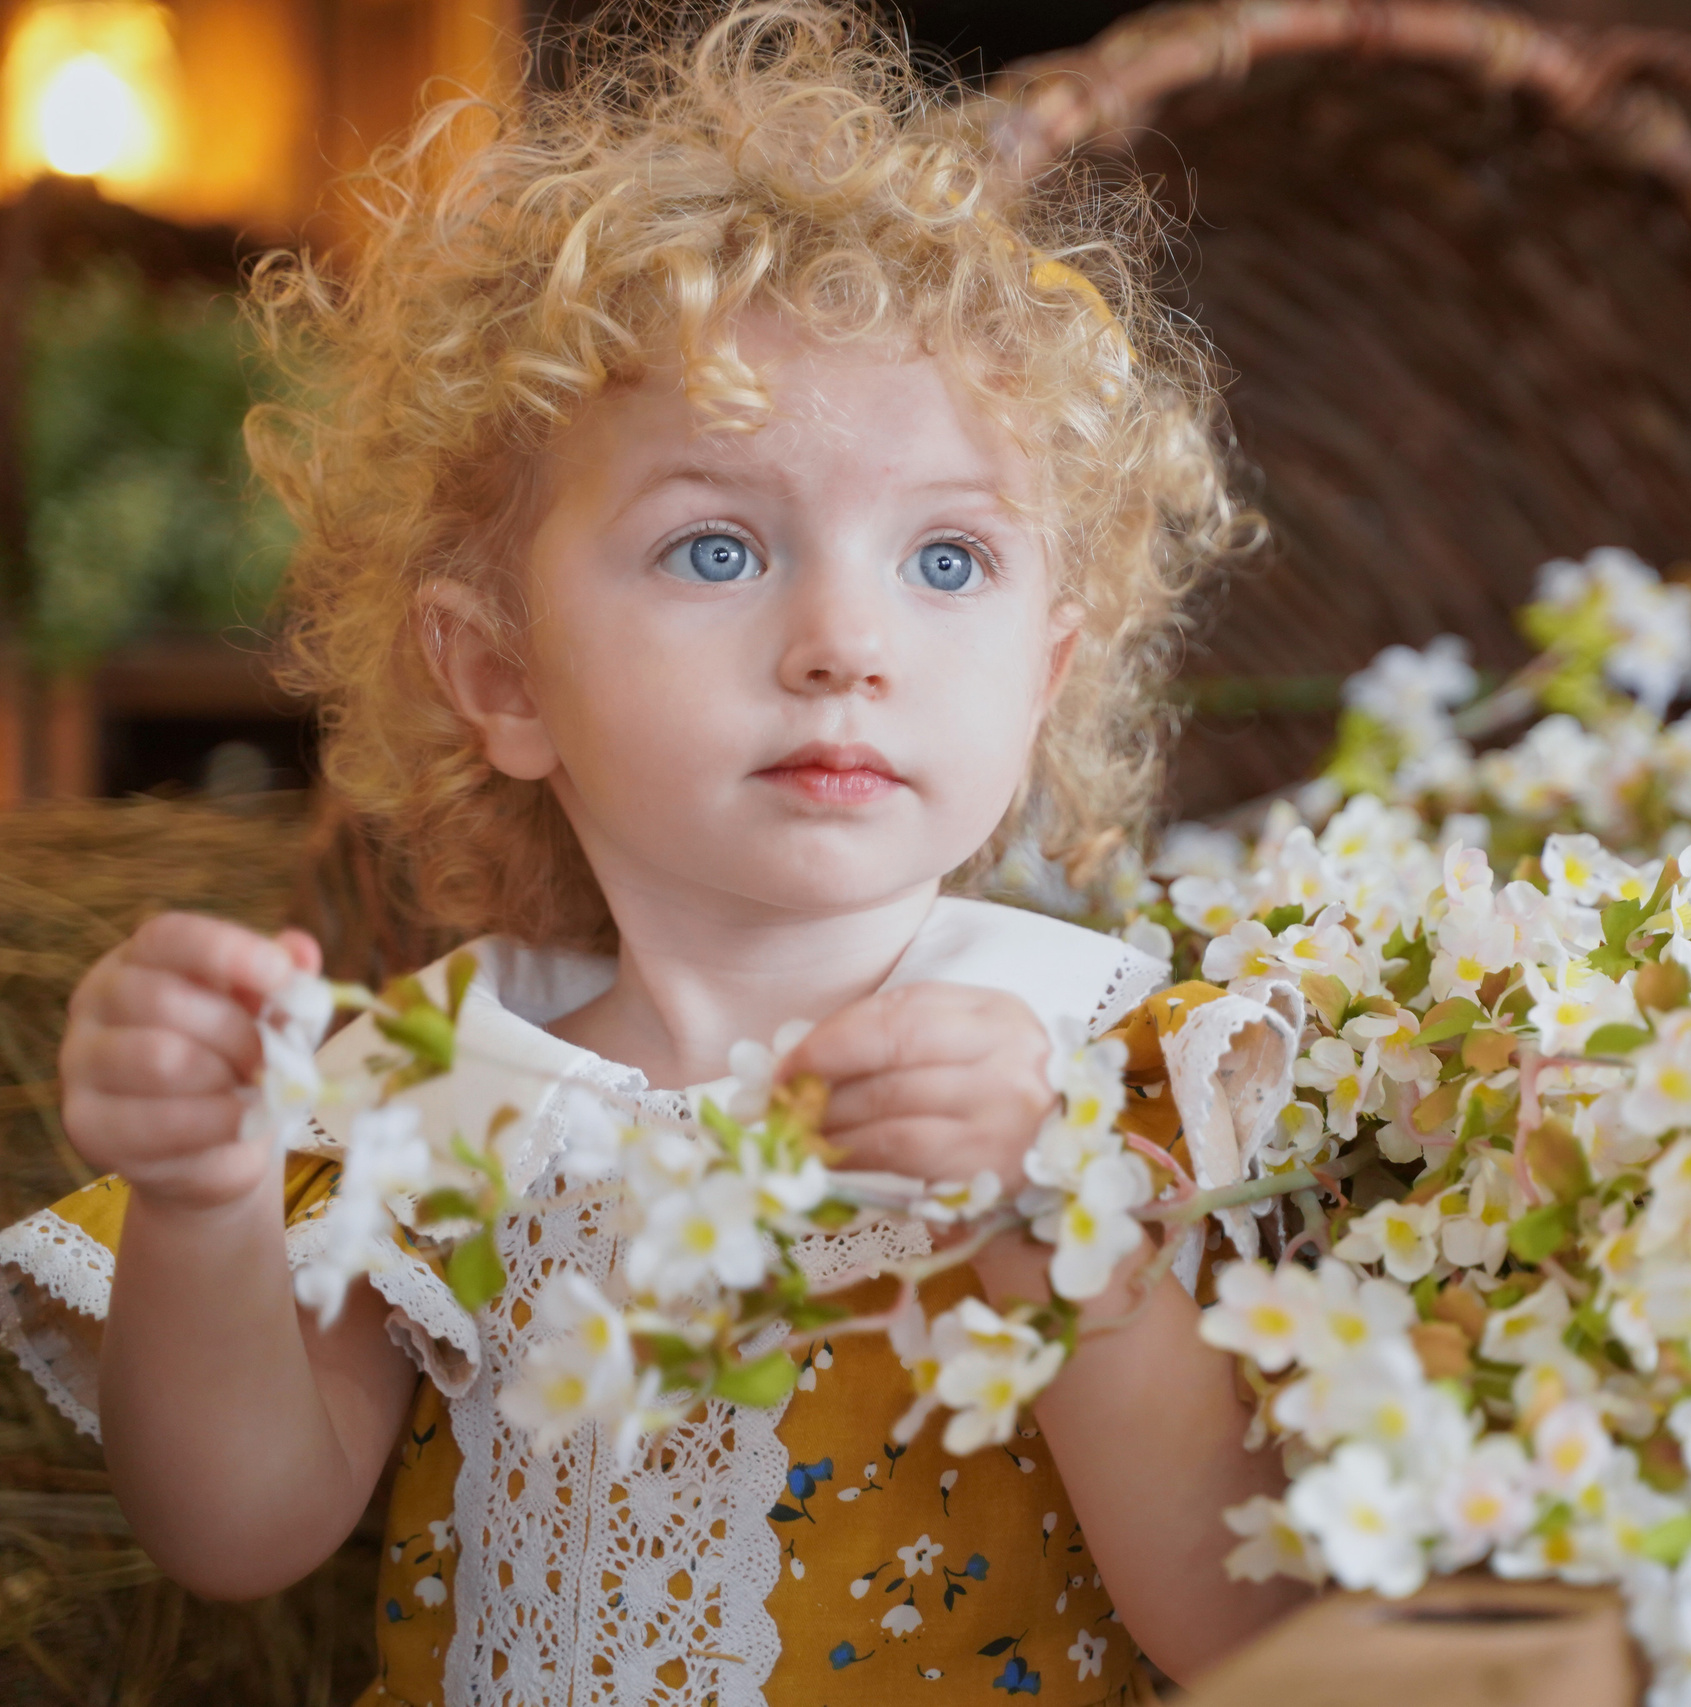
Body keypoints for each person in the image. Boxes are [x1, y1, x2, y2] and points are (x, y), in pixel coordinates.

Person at [0, 7, 1298, 1701]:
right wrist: (205, 1199)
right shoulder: (431, 1085)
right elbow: (237, 1533)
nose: (846, 641)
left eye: (950, 564)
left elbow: (1243, 1627)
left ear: (1049, 672)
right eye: (712, 545)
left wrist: (1061, 1242)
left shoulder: (1099, 1068)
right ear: (501, 675)